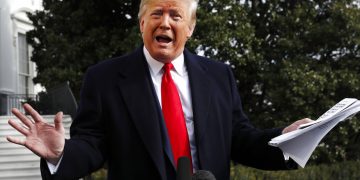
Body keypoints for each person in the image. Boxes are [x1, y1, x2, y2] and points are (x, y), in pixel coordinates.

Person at [7, 0, 312, 179]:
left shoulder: (220, 76)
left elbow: (241, 138)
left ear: (190, 28)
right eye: (156, 14)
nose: (164, 23)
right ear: (142, 23)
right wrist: (61, 154)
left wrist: (288, 139)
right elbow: (93, 145)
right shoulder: (104, 78)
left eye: (175, 15)